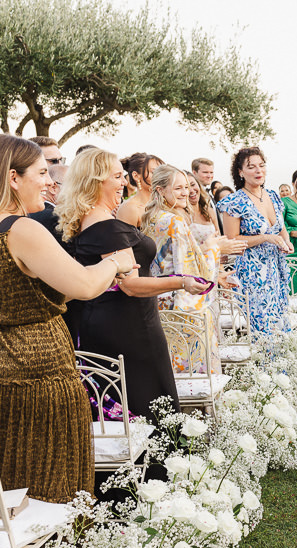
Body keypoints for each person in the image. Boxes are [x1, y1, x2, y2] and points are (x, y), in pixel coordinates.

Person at [0, 135, 131, 503]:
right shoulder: (21, 229)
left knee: (12, 487)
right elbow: (86, 286)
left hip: (6, 373)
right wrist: (114, 263)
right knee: (50, 485)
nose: (50, 182)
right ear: (13, 177)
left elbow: (40, 293)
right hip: (40, 376)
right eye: (42, 173)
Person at [56, 149, 206, 419]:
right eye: (117, 176)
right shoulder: (105, 227)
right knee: (148, 401)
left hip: (112, 321)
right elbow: (130, 285)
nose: (124, 181)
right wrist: (181, 281)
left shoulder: (91, 220)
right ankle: (158, 461)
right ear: (96, 181)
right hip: (129, 328)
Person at [142, 165, 244, 374]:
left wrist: (205, 248)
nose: (186, 193)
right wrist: (215, 248)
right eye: (178, 188)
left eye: (186, 187)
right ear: (160, 190)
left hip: (158, 301)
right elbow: (192, 273)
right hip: (182, 308)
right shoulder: (174, 221)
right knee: (192, 370)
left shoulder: (151, 217)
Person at [218, 147, 291, 333]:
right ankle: (264, 362)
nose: (258, 171)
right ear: (240, 172)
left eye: (262, 165)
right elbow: (231, 240)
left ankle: (282, 362)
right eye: (251, 167)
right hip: (254, 273)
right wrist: (265, 237)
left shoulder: (273, 196)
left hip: (277, 270)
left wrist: (286, 242)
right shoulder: (234, 202)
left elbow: (281, 228)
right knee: (262, 329)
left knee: (280, 324)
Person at [116, 152, 164, 226]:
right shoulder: (129, 208)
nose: (160, 177)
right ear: (136, 176)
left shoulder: (164, 203)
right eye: (154, 172)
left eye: (161, 172)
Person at [185, 172, 221, 247]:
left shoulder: (209, 211)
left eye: (193, 185)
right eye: (186, 187)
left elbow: (219, 238)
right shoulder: (182, 216)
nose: (191, 190)